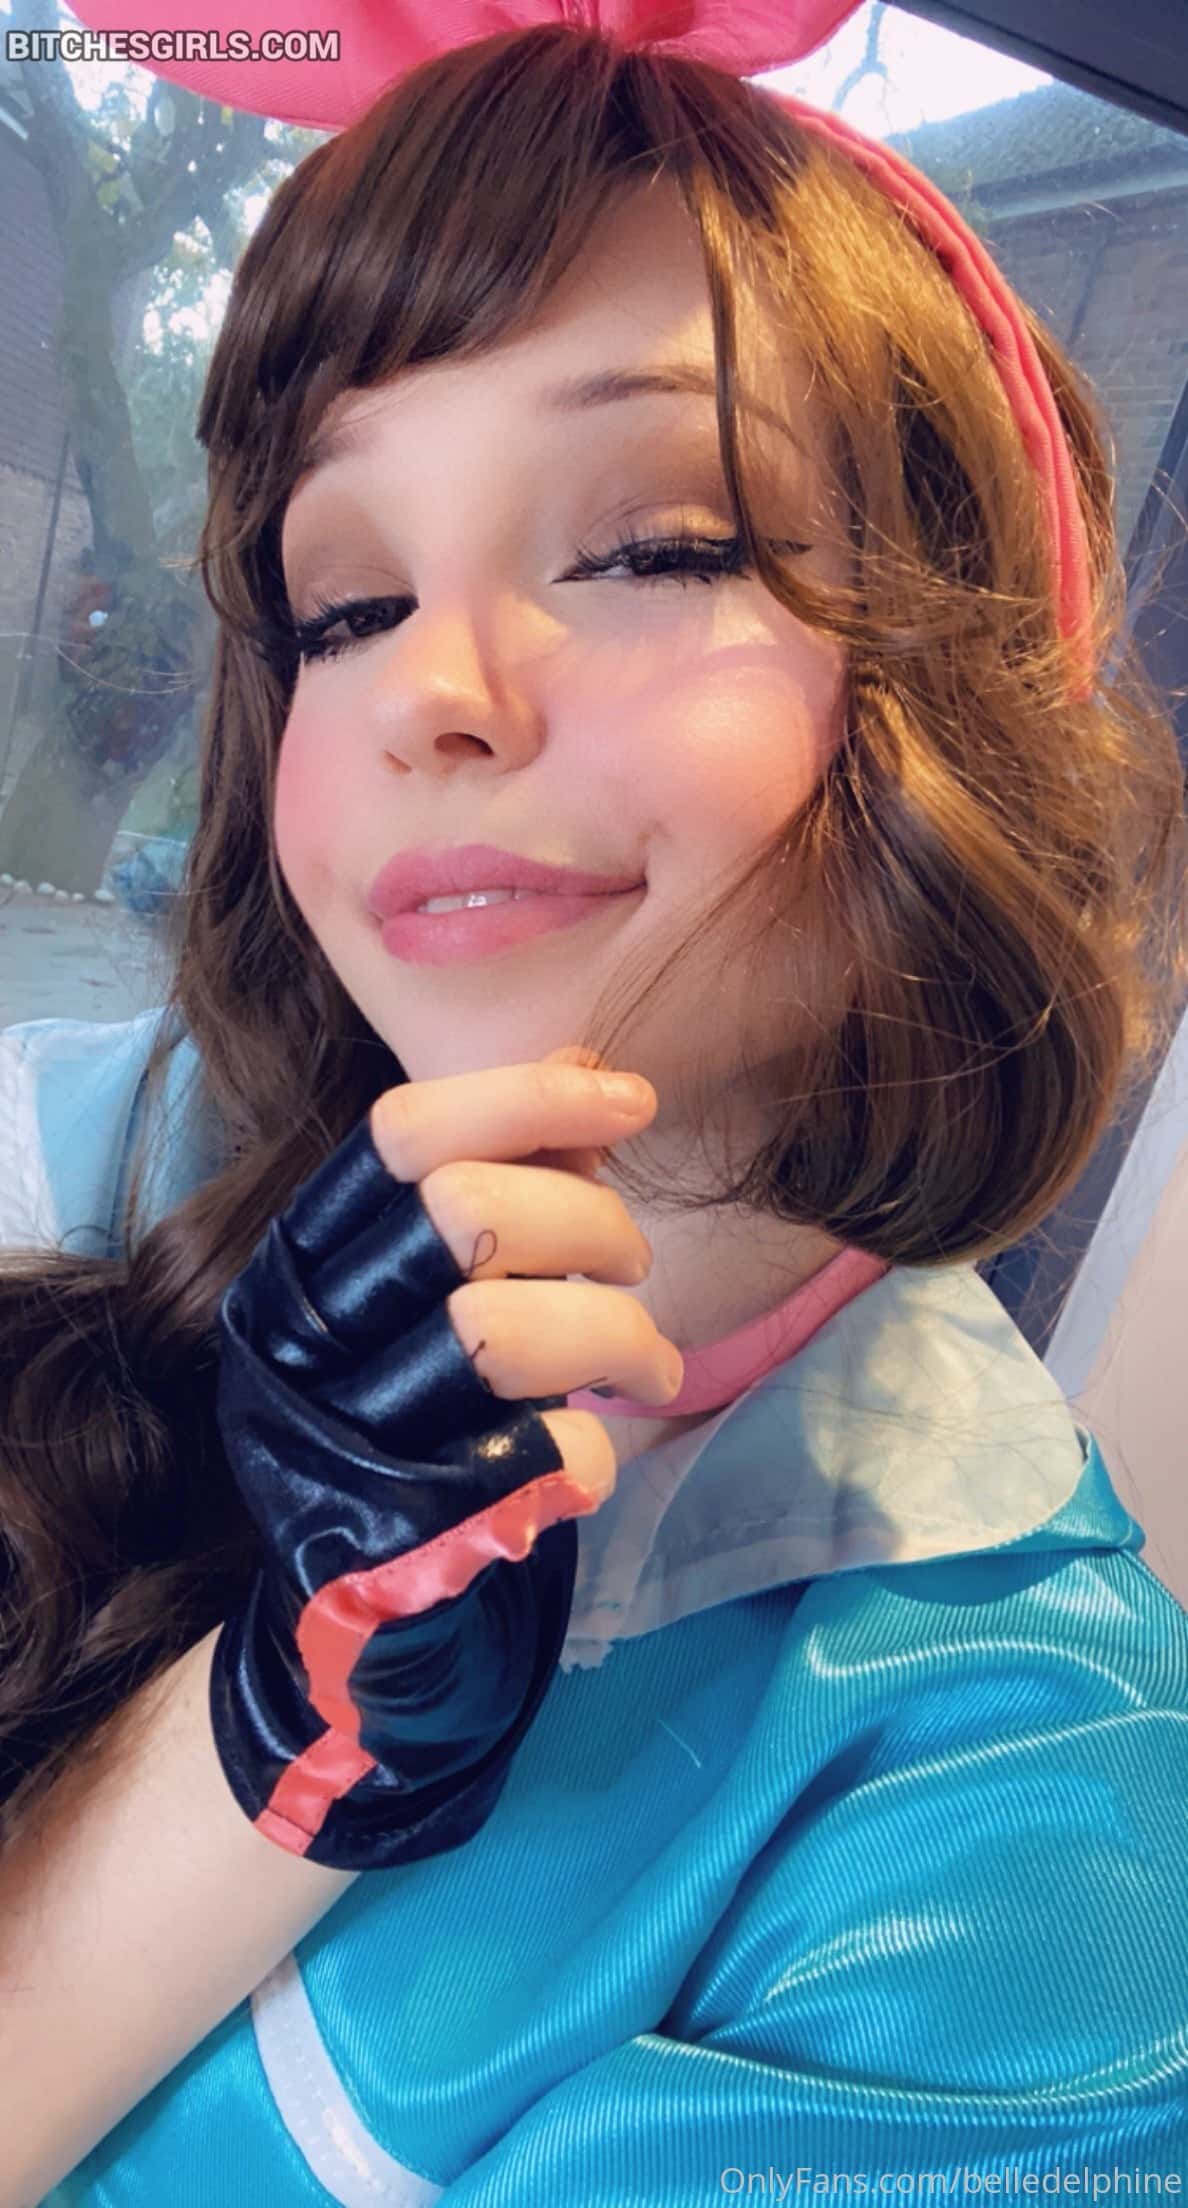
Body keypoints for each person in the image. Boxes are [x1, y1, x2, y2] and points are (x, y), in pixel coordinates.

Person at [1, 11, 1186, 2201]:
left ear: (954, 690)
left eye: (654, 547)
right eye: (347, 602)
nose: (434, 694)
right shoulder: (51, 1166)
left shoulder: (1038, 1832)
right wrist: (264, 1738)